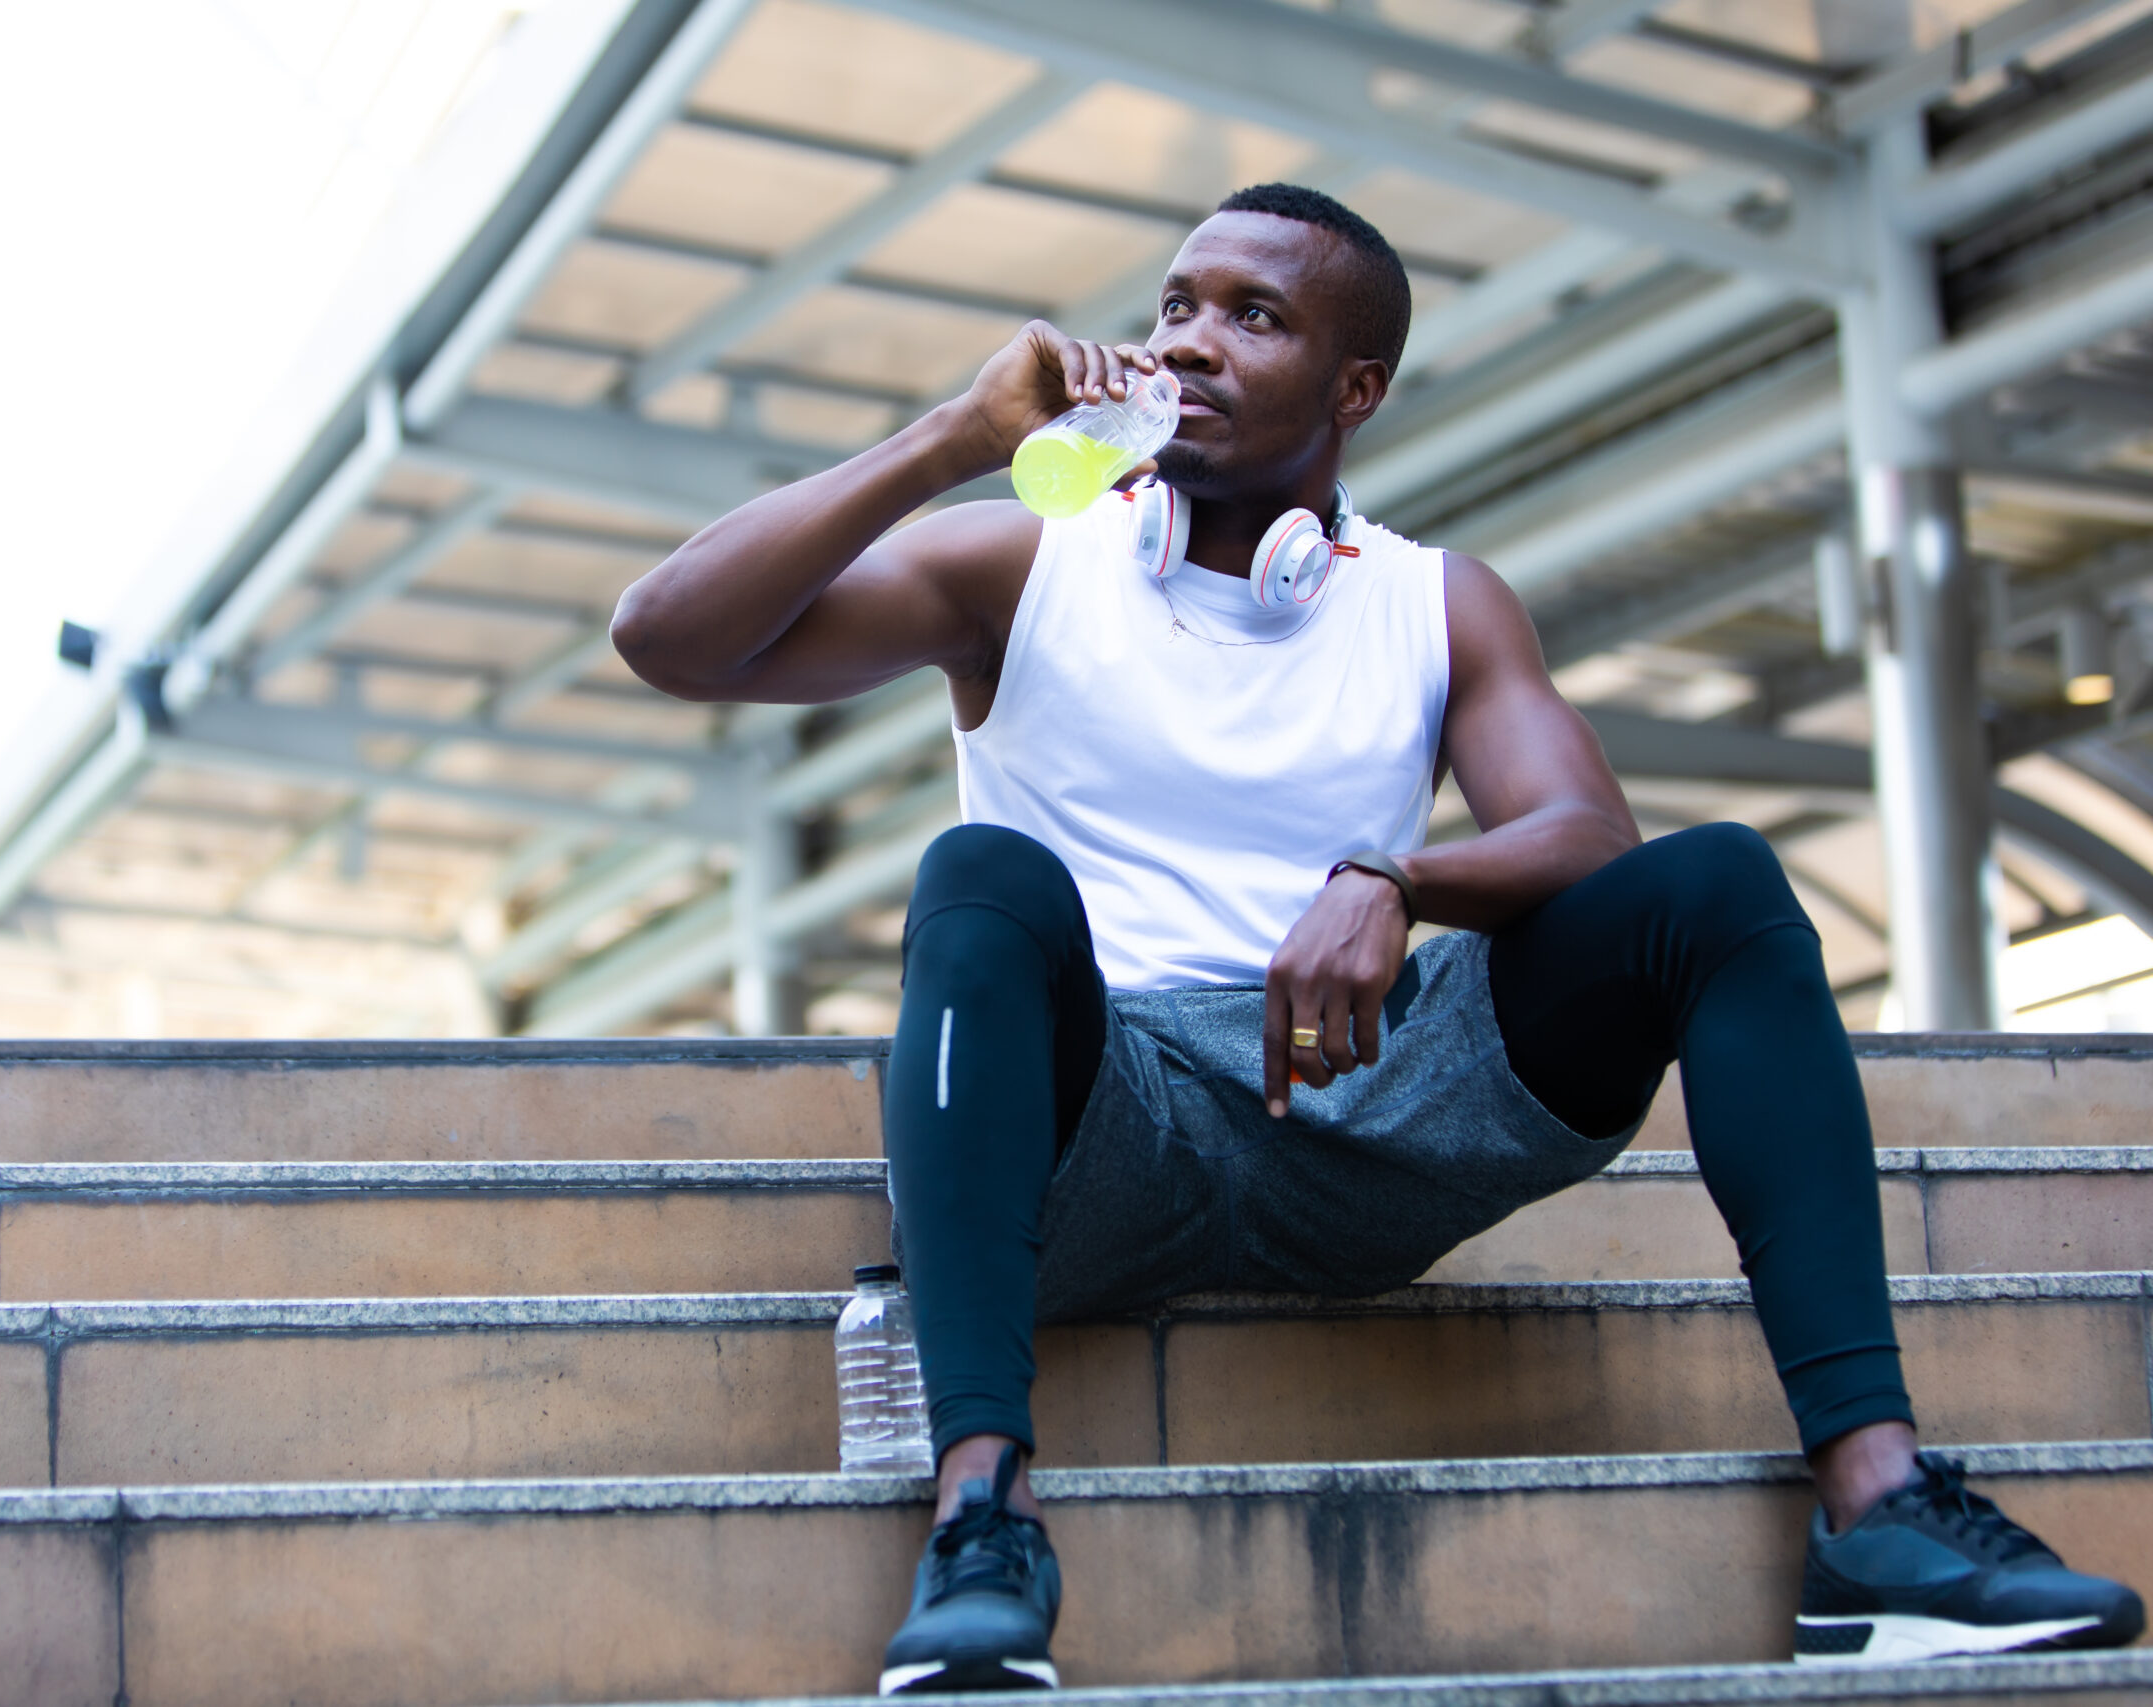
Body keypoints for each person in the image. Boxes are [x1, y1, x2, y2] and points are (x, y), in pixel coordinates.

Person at [610, 182, 2143, 1691]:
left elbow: (1589, 839)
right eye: (1178, 307)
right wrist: (959, 440)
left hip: (1361, 1101)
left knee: (1722, 885)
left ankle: (1879, 1514)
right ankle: (982, 1526)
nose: (1193, 343)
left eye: (1253, 316)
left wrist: (1397, 880)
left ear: (1358, 389)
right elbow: (669, 636)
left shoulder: (1438, 601)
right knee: (980, 880)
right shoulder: (1023, 564)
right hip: (1104, 1136)